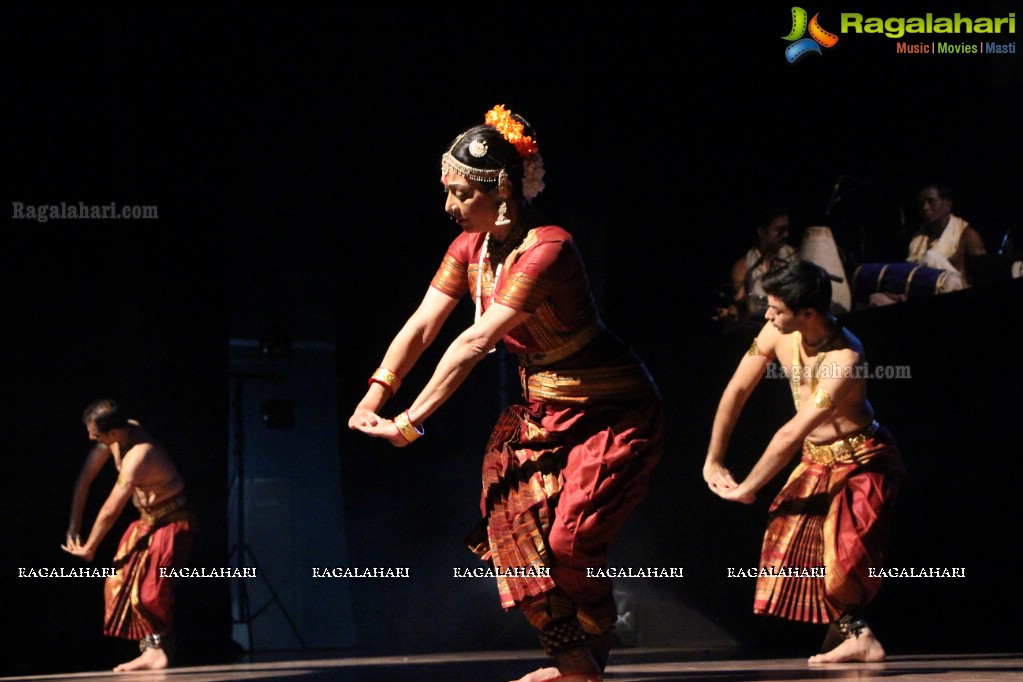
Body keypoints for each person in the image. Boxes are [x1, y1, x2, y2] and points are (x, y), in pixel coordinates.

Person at [348, 105, 664, 682]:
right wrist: (376, 395)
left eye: (461, 193)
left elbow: (474, 341)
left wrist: (410, 422)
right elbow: (423, 326)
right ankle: (576, 666)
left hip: (610, 414)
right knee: (515, 534)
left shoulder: (549, 248)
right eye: (447, 191)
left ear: (502, 191)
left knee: (569, 542)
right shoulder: (471, 248)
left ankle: (587, 656)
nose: (449, 206)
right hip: (540, 413)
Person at [703, 260, 904, 664]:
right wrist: (713, 458)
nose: (767, 315)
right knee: (793, 543)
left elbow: (791, 433)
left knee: (844, 558)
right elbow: (737, 389)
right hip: (818, 459)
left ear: (807, 313)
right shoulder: (774, 334)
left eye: (776, 309)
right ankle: (845, 633)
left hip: (863, 460)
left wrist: (748, 487)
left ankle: (862, 638)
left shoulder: (844, 358)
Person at [62, 399, 194, 672]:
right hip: (147, 521)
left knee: (151, 593)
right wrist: (74, 526)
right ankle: (152, 652)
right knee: (117, 583)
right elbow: (85, 479)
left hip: (172, 522)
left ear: (112, 434)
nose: (90, 438)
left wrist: (90, 547)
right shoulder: (119, 436)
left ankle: (158, 651)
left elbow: (112, 508)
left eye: (95, 434)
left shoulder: (139, 454)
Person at [714, 205, 796, 327]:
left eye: (787, 229)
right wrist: (732, 313)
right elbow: (739, 304)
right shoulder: (744, 265)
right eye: (779, 230)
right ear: (762, 232)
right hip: (756, 327)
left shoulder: (795, 259)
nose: (786, 235)